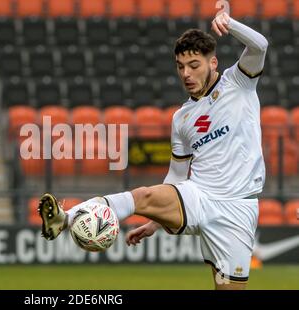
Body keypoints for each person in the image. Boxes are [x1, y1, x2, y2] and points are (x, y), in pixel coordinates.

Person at [38, 12, 268, 290]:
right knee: (142, 195)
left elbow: (259, 46)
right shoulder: (182, 118)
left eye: (194, 65)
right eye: (180, 66)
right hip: (199, 195)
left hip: (238, 207)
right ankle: (67, 218)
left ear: (213, 62)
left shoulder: (239, 82)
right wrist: (156, 218)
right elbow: (177, 175)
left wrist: (228, 23)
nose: (186, 74)